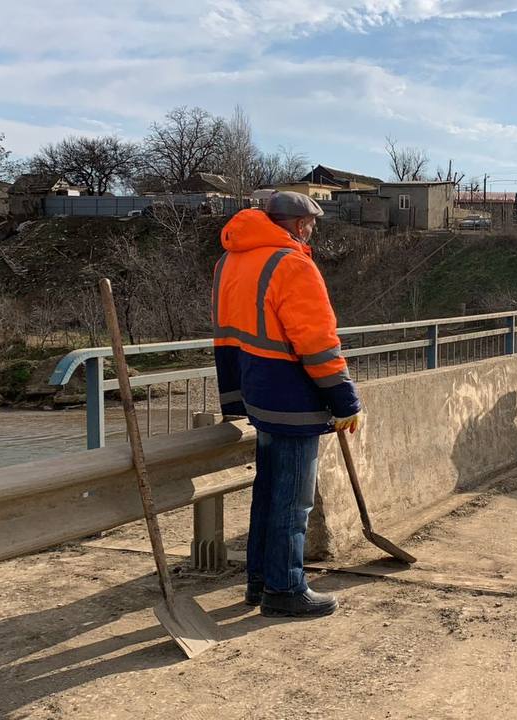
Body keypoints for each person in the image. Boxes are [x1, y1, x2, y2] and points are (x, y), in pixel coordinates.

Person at [213, 191, 363, 618]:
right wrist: (343, 398)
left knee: (268, 491)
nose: (313, 230)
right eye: (311, 224)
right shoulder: (292, 265)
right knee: (293, 500)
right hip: (291, 395)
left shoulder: (231, 260)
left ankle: (259, 582)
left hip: (254, 389)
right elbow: (317, 342)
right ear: (298, 225)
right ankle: (285, 588)